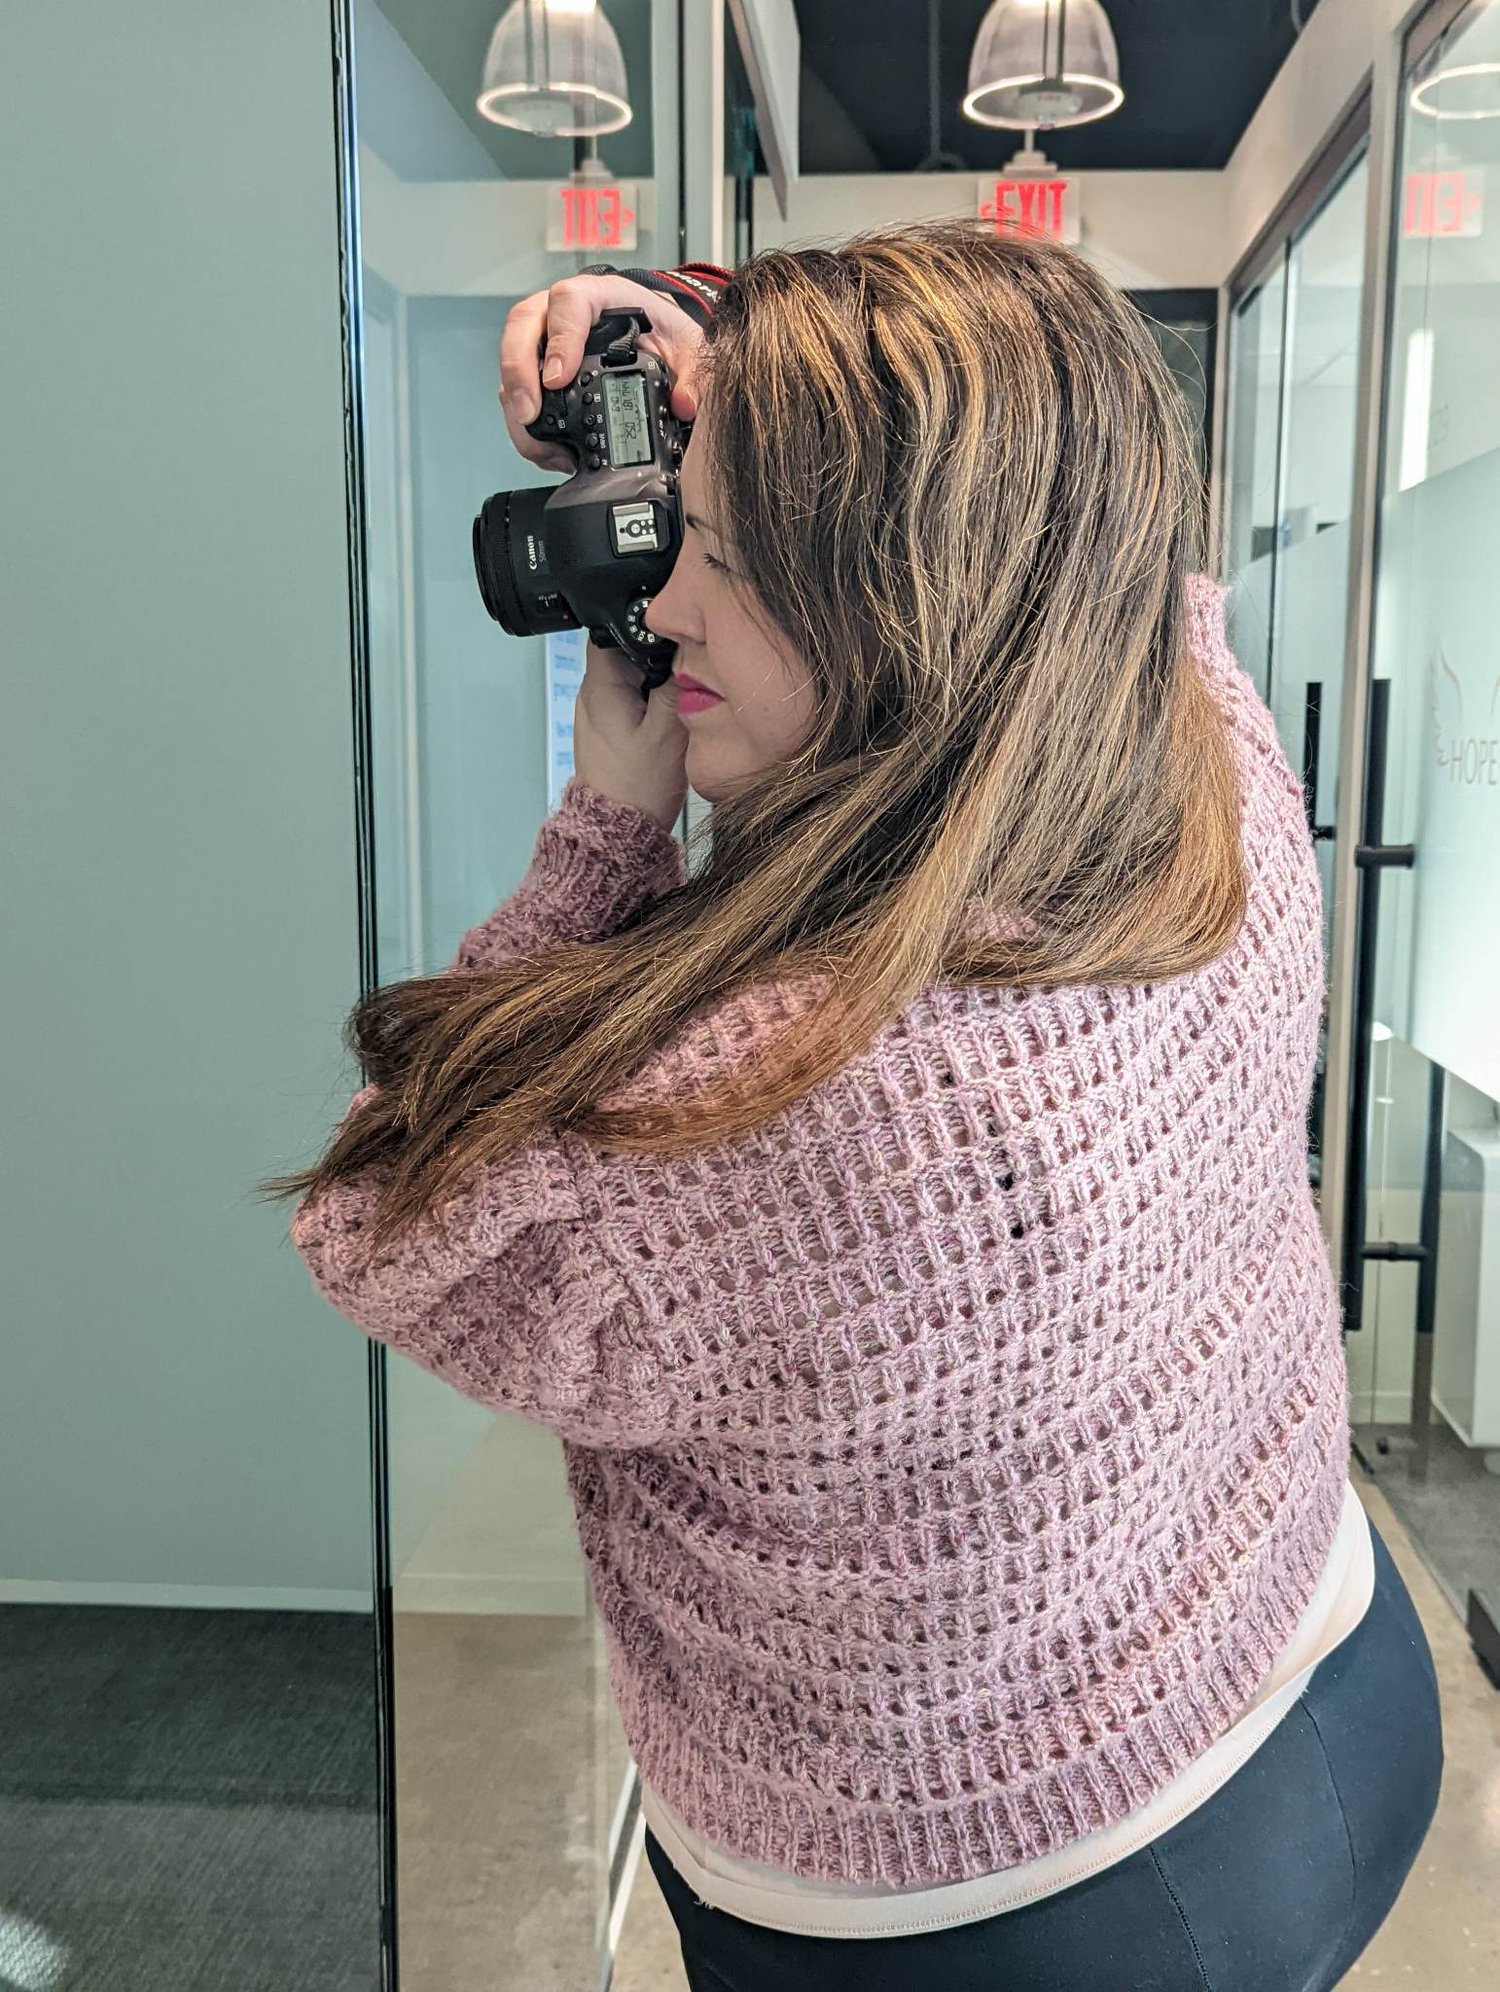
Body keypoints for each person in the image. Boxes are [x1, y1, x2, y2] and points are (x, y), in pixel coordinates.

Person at [264, 223, 1443, 1990]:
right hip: (1332, 1681)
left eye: (722, 555)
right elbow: (1080, 504)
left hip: (980, 1906)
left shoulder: (763, 1107)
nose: (659, 606)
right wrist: (714, 336)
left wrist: (603, 836)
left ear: (905, 600)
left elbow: (381, 1219)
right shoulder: (1216, 787)